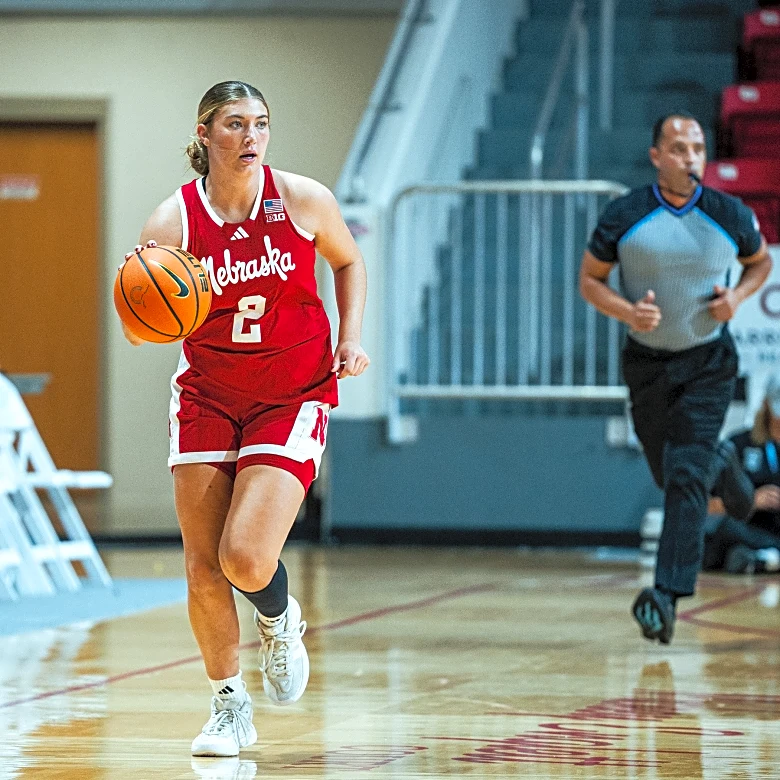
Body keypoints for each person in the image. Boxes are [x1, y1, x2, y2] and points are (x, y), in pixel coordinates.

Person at [119, 80, 369, 757]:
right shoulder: (171, 224)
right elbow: (144, 324)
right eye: (235, 124)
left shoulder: (302, 200)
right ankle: (229, 706)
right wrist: (141, 314)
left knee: (246, 557)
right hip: (207, 394)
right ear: (205, 135)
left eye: (260, 123)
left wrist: (349, 337)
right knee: (203, 567)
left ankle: (280, 618)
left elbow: (347, 261)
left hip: (291, 392)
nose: (251, 137)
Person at [579, 111, 772, 645]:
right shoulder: (625, 214)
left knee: (685, 475)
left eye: (698, 149)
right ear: (656, 156)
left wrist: (736, 296)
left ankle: (664, 596)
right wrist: (625, 312)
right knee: (673, 476)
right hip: (646, 363)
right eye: (680, 148)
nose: (691, 158)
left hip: (709, 361)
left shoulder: (728, 213)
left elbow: (760, 264)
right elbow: (590, 281)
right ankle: (724, 462)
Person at [704, 374, 780, 575]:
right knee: (728, 529)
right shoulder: (738, 445)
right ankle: (766, 559)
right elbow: (705, 506)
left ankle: (762, 561)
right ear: (766, 404)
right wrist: (751, 501)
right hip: (748, 531)